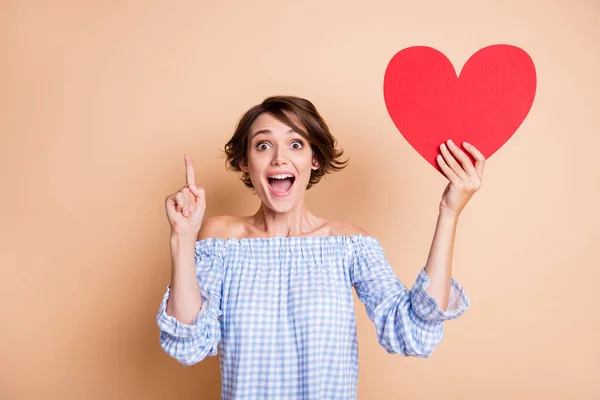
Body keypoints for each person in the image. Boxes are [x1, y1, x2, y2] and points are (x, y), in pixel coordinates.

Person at [156, 95, 486, 399]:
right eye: (263, 146)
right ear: (245, 162)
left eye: (296, 144)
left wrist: (449, 212)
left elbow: (412, 329)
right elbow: (189, 342)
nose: (279, 158)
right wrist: (183, 237)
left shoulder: (349, 245)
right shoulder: (221, 240)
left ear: (314, 159)